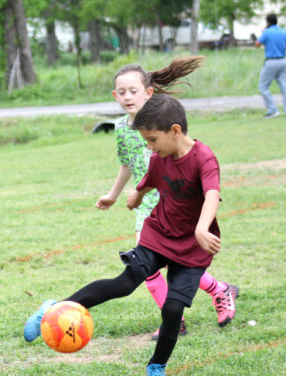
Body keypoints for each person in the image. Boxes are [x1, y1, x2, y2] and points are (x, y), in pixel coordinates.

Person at [25, 94, 229, 376]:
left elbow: (212, 195)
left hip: (192, 247)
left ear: (176, 131)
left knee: (172, 309)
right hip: (159, 234)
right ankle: (54, 308)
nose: (149, 146)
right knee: (124, 283)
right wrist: (134, 196)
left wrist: (201, 228)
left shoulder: (204, 158)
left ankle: (156, 366)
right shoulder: (160, 157)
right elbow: (146, 183)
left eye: (152, 139)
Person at [95, 60, 238, 338]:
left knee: (162, 265)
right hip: (144, 203)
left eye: (133, 91)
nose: (127, 97)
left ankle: (182, 316)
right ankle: (206, 298)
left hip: (170, 202)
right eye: (121, 92)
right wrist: (113, 195)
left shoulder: (162, 120)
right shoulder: (123, 128)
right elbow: (127, 164)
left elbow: (187, 159)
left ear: (149, 93)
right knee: (147, 268)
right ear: (114, 96)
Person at [255, 13, 286, 118]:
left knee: (263, 86)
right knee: (285, 87)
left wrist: (263, 32)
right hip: (283, 61)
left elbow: (257, 45)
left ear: (268, 22)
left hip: (271, 62)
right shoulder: (283, 31)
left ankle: (272, 110)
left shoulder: (266, 32)